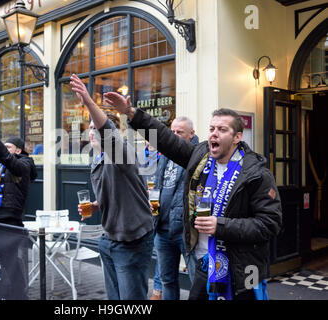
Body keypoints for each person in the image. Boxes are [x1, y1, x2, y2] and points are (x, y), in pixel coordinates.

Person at [104, 92, 282, 300]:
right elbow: (166, 139)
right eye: (212, 128)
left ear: (237, 137)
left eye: (222, 130)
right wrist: (130, 113)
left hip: (241, 268)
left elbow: (270, 223)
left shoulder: (256, 173)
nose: (214, 134)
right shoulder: (200, 157)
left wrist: (221, 225)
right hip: (204, 264)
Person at [70, 74, 154, 300]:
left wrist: (88, 101)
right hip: (108, 238)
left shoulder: (122, 152)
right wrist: (97, 204)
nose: (92, 131)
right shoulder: (96, 159)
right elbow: (115, 190)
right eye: (89, 128)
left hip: (132, 241)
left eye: (95, 127)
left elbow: (110, 136)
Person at [152, 117, 198, 300]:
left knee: (197, 282)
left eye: (180, 132)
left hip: (185, 231)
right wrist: (153, 208)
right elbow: (158, 184)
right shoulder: (165, 154)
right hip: (162, 230)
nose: (175, 135)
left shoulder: (196, 154)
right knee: (167, 281)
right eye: (173, 132)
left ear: (191, 134)